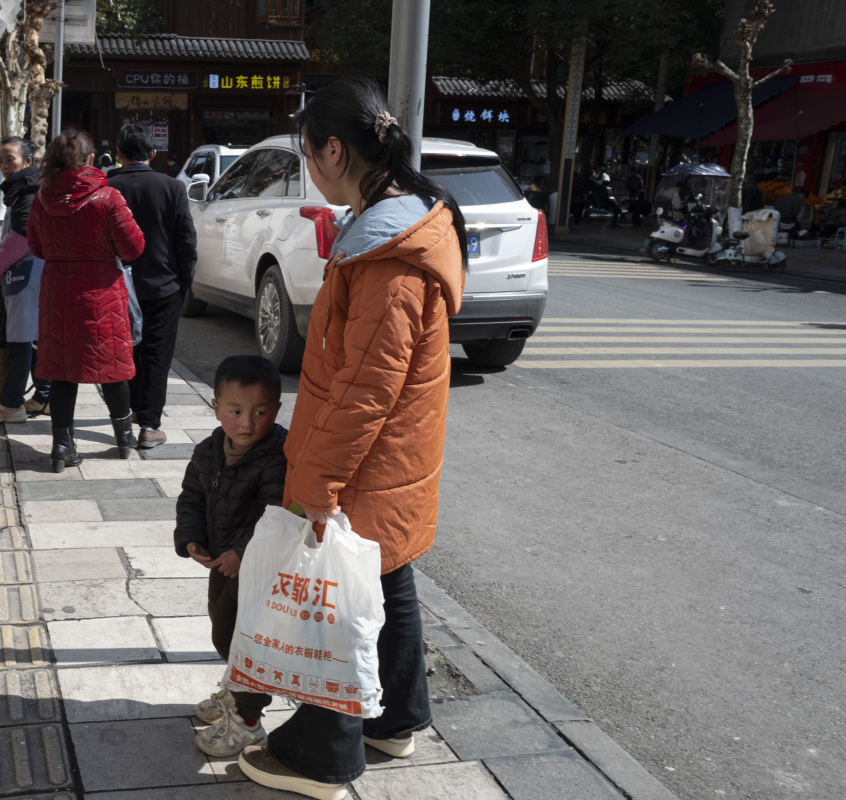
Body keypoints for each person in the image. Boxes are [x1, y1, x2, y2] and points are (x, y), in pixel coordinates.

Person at [235, 77, 466, 800]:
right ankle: (396, 718)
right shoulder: (394, 226)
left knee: (335, 600)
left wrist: (317, 485)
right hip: (388, 459)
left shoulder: (388, 256)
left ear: (334, 150)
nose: (308, 166)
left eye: (307, 153)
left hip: (366, 461)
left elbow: (365, 389)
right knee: (383, 578)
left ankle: (322, 756)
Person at [175, 355, 286, 758]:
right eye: (235, 411)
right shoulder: (208, 451)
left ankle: (248, 720)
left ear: (276, 409)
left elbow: (276, 515)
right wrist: (191, 538)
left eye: (260, 412)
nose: (247, 424)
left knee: (244, 639)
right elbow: (192, 497)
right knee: (222, 629)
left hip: (259, 570)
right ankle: (235, 691)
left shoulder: (278, 456)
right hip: (223, 564)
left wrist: (243, 553)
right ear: (216, 407)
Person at [27, 128, 145, 472]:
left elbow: (36, 246)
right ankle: (124, 438)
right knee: (113, 368)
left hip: (57, 294)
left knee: (61, 372)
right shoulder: (108, 198)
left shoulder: (41, 199)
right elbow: (134, 247)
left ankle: (62, 447)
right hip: (102, 292)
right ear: (90, 159)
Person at [108, 123, 198, 448]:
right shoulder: (172, 187)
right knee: (158, 355)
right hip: (163, 285)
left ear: (119, 153)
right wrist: (184, 282)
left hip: (117, 285)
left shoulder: (107, 187)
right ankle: (149, 425)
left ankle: (132, 409)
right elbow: (186, 240)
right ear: (153, 153)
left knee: (127, 351)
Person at [0, 136, 50, 423]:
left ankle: (11, 404)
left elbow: (21, 236)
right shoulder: (25, 188)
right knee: (33, 338)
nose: (4, 166)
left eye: (10, 159)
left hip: (26, 273)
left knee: (20, 339)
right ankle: (44, 397)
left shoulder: (28, 191)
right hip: (30, 273)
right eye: (0, 161)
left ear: (28, 161)